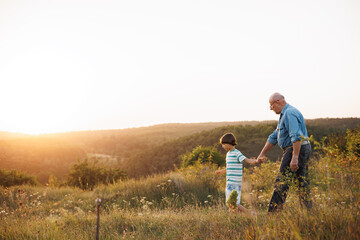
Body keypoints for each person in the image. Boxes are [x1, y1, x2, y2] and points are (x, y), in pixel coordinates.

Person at [257, 92, 313, 212]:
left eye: (271, 106)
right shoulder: (284, 115)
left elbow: (296, 136)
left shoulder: (289, 113)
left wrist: (295, 157)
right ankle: (309, 212)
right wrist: (262, 154)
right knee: (301, 181)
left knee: (282, 181)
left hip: (296, 149)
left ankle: (273, 214)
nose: (271, 109)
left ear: (277, 102)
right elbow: (274, 136)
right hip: (298, 149)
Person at [215, 132, 262, 214]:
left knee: (233, 202)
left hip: (235, 182)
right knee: (231, 203)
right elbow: (229, 166)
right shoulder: (228, 154)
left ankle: (250, 213)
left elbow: (247, 160)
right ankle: (233, 218)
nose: (223, 146)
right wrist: (221, 171)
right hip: (229, 181)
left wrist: (256, 161)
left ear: (230, 143)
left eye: (224, 144)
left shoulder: (237, 153)